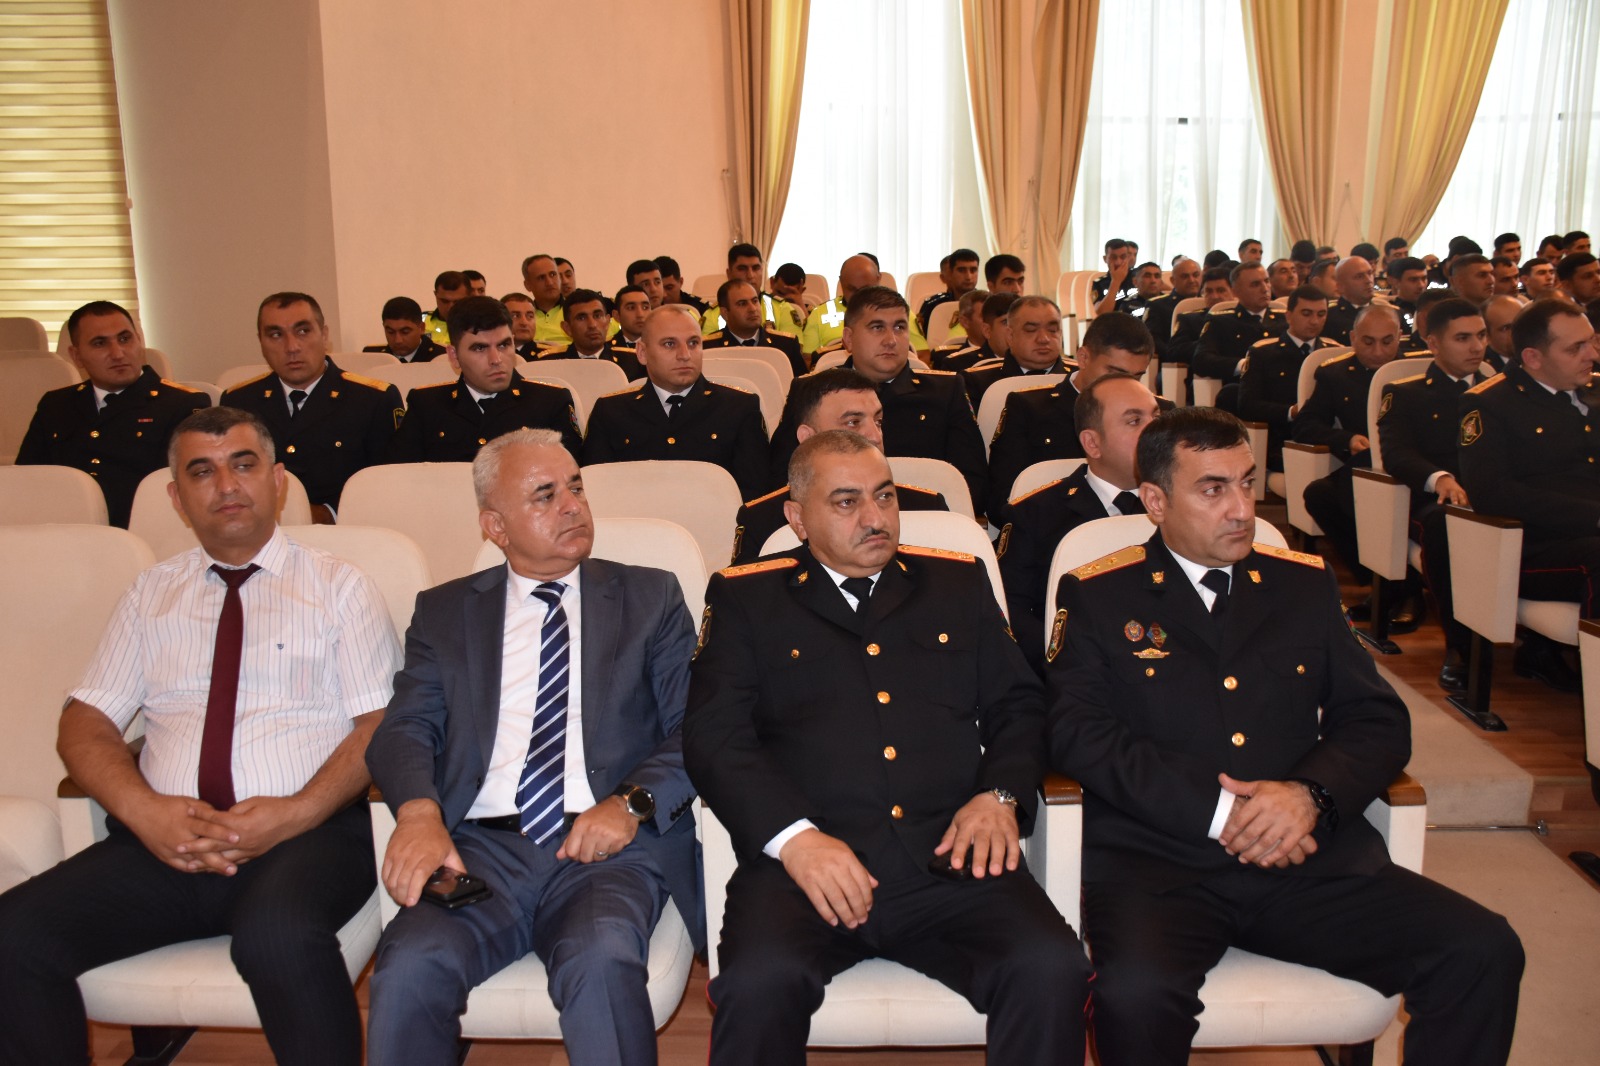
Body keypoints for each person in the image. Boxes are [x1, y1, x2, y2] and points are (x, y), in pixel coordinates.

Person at [1046, 406, 1523, 1066]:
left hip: (1306, 859)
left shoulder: (1302, 583)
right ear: (1155, 501)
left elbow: (1376, 719)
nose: (1242, 508)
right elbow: (1078, 734)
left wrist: (1310, 796)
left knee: (1482, 948)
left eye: (1247, 482)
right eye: (1213, 489)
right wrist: (1222, 812)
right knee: (1134, 996)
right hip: (1162, 868)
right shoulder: (1099, 594)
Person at [0, 406, 402, 1066]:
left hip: (307, 838)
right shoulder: (151, 595)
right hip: (165, 841)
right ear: (176, 498)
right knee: (14, 935)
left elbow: (379, 723)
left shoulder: (339, 587)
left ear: (278, 481)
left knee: (276, 939)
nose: (227, 485)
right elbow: (85, 720)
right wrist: (144, 812)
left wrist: (295, 811)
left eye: (244, 465)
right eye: (202, 472)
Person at [685, 429, 1091, 1066]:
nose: (875, 518)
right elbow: (714, 737)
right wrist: (796, 840)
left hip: (951, 857)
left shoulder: (956, 584)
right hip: (805, 869)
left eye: (885, 496)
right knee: (757, 985)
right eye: (846, 502)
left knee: (1052, 966)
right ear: (797, 519)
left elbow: (1019, 705)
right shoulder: (746, 598)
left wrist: (1000, 795)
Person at [364, 429, 702, 1065]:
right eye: (545, 496)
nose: (572, 505)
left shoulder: (648, 597)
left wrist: (629, 803)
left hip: (607, 848)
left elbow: (698, 727)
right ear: (495, 525)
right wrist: (418, 812)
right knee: (408, 966)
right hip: (481, 849)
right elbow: (405, 727)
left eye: (575, 487)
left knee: (601, 961)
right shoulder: (444, 612)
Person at [1458, 299, 1600, 692]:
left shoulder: (1594, 390)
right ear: (1533, 358)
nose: (1592, 354)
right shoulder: (1489, 403)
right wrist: (1593, 517)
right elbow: (1492, 494)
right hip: (1531, 547)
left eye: (1591, 341)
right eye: (1575, 348)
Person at [768, 286, 987, 512]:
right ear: (849, 339)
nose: (891, 340)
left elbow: (971, 484)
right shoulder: (810, 391)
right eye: (877, 327)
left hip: (926, 518)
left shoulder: (946, 390)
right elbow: (781, 480)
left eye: (900, 327)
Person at [996, 372, 1161, 672]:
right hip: (1073, 673)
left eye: (1157, 417)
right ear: (1092, 443)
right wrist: (1069, 664)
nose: (1155, 432)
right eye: (1134, 421)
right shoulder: (1034, 515)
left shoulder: (1186, 507)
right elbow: (1010, 611)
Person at [1377, 298, 1493, 691]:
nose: (1476, 347)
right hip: (1434, 501)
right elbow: (1396, 454)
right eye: (1463, 338)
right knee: (1444, 525)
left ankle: (1539, 646)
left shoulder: (1501, 391)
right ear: (1433, 343)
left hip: (1495, 495)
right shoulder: (1405, 393)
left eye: (1481, 335)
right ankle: (1460, 645)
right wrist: (1439, 477)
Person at [14, 299, 207, 527]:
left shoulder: (182, 404)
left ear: (139, 342)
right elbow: (27, 481)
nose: (117, 353)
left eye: (125, 339)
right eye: (99, 343)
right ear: (76, 356)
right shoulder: (55, 405)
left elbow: (191, 488)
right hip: (64, 530)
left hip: (145, 531)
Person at [731, 369, 948, 565]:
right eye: (853, 423)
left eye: (878, 422)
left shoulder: (929, 509)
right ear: (808, 437)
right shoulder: (763, 521)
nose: (875, 436)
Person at [221, 292, 404, 521]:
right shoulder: (238, 402)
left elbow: (387, 486)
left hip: (346, 533)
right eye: (276, 335)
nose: (292, 347)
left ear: (324, 335)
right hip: (257, 531)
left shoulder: (373, 400)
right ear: (261, 342)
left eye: (303, 331)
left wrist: (329, 514)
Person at [1294, 304, 1417, 627]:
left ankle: (1400, 588)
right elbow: (1305, 424)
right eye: (1368, 342)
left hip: (1414, 465)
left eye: (1387, 341)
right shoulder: (1334, 374)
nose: (1378, 351)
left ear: (1400, 337)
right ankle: (1389, 583)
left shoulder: (1418, 372)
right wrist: (1346, 438)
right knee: (1320, 494)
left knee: (1356, 488)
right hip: (1364, 464)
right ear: (1352, 338)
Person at [987, 312, 1169, 519]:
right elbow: (1002, 498)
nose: (1126, 385)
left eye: (1137, 376)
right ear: (1083, 358)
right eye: (1115, 373)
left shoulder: (1162, 412)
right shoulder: (1030, 409)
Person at [582, 304, 768, 499]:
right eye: (670, 344)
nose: (685, 355)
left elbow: (754, 495)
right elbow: (597, 492)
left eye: (693, 343)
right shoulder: (611, 412)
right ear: (642, 353)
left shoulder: (739, 408)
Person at [388, 296, 582, 463]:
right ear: (454, 356)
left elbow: (573, 479)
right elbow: (401, 477)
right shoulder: (426, 406)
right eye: (479, 348)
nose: (496, 359)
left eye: (504, 345)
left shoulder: (550, 403)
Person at [1238, 285, 1338, 471]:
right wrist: (1290, 412)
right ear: (1289, 316)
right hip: (1282, 439)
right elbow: (1247, 405)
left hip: (1328, 439)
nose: (1314, 321)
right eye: (1306, 314)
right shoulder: (1263, 353)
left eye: (1321, 314)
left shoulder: (1334, 353)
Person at [1194, 261, 1285, 412]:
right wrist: (1243, 365)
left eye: (1266, 281)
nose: (1265, 288)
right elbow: (1201, 360)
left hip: (1283, 388)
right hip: (1244, 390)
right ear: (1236, 291)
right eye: (1255, 284)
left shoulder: (1285, 319)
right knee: (1230, 393)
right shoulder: (1221, 321)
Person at [802, 254, 930, 358]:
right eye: (852, 289)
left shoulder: (897, 313)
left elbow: (922, 355)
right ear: (841, 282)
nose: (859, 296)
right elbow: (808, 361)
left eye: (866, 289)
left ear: (878, 279)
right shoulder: (819, 314)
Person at [537, 287, 645, 380]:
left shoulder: (634, 362)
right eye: (582, 318)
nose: (592, 325)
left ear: (607, 321)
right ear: (567, 328)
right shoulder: (550, 364)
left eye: (597, 316)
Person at [703, 279, 805, 376]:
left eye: (755, 301)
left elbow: (801, 386)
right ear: (725, 313)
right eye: (742, 304)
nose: (752, 309)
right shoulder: (708, 348)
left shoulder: (786, 345)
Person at [699, 243, 804, 335]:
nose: (750, 275)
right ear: (729, 273)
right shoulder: (712, 315)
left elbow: (791, 350)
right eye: (742, 269)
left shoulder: (783, 309)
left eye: (756, 268)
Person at [1165, 266, 1234, 365]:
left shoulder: (1245, 318)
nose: (1215, 296)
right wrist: (1209, 342)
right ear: (1202, 293)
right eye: (1209, 291)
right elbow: (1173, 352)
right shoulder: (1189, 319)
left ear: (1234, 291)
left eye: (1221, 290)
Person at [363, 296, 448, 362]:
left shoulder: (442, 358)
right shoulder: (372, 357)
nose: (398, 340)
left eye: (405, 332)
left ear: (421, 328)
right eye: (390, 332)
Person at [1146, 257, 1202, 357]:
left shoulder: (1208, 304)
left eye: (1196, 275)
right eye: (1185, 276)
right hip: (1172, 361)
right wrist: (1173, 356)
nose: (1192, 280)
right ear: (1173, 281)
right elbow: (1153, 339)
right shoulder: (1158, 305)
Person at [917, 247, 980, 335]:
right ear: (950, 273)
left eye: (973, 270)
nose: (968, 277)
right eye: (961, 270)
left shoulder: (988, 303)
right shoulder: (933, 305)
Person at [1322, 256, 1376, 345]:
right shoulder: (1327, 317)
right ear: (1340, 286)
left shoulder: (1388, 313)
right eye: (1359, 277)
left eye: (1370, 273)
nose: (1368, 280)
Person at [521, 254, 569, 345]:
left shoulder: (574, 313)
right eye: (541, 278)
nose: (549, 283)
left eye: (553, 274)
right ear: (528, 285)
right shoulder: (521, 319)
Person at [425, 271, 469, 348]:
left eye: (457, 302)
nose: (450, 307)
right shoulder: (420, 322)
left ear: (468, 297)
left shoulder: (480, 326)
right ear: (435, 294)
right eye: (444, 301)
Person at [503, 292, 552, 360]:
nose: (524, 322)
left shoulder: (549, 356)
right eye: (515, 316)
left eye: (530, 316)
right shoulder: (493, 354)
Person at [1481, 294, 1522, 373]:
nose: (1519, 331)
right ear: (1487, 336)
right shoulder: (1485, 371)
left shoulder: (1542, 356)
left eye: (1522, 322)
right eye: (1506, 328)